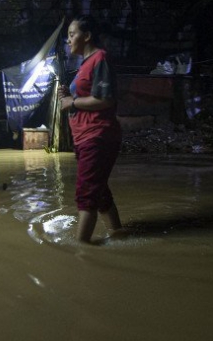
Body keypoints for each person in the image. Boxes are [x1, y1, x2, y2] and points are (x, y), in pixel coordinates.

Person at [58, 15, 124, 244]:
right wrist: (70, 97)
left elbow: (105, 100)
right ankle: (119, 234)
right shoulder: (84, 65)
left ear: (87, 36)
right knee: (100, 194)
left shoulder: (100, 58)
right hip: (85, 138)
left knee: (86, 194)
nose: (68, 40)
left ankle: (81, 251)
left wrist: (72, 102)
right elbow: (86, 99)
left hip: (98, 137)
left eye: (72, 34)